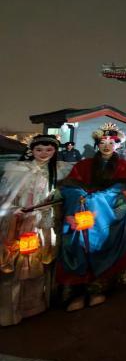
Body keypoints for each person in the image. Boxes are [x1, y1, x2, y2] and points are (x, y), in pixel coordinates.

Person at [56, 124, 126, 312]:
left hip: (107, 213)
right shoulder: (84, 164)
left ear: (117, 145)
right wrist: (81, 197)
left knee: (104, 243)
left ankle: (97, 288)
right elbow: (70, 186)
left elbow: (122, 189)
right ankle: (77, 290)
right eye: (102, 143)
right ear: (97, 145)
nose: (107, 146)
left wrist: (97, 199)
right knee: (77, 244)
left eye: (111, 143)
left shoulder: (123, 166)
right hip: (83, 211)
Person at [0, 135, 70, 326]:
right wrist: (14, 211)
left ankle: (37, 305)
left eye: (49, 150)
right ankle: (12, 309)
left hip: (46, 223)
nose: (44, 153)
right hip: (20, 222)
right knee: (17, 262)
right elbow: (5, 197)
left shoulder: (61, 170)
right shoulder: (17, 170)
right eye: (39, 150)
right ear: (31, 150)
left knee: (42, 260)